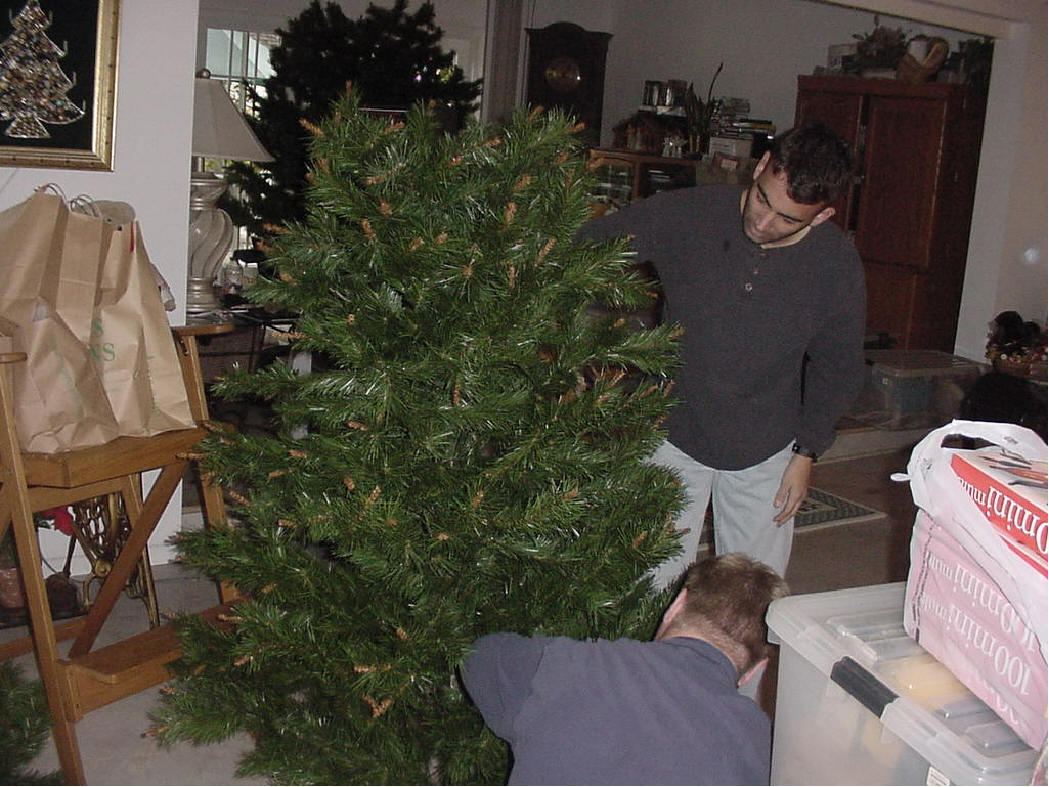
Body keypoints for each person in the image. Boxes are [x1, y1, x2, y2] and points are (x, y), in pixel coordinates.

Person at [576, 122, 866, 586]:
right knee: (647, 582)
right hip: (670, 428)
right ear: (763, 166)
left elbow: (839, 365)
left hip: (767, 443)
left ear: (821, 216)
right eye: (762, 198)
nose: (763, 221)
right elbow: (588, 246)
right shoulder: (686, 213)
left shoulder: (835, 263)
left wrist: (807, 452)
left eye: (786, 219)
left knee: (749, 594)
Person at [460, 553, 789, 785]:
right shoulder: (757, 736)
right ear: (755, 670)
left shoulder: (567, 665)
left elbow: (476, 655)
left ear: (676, 605)